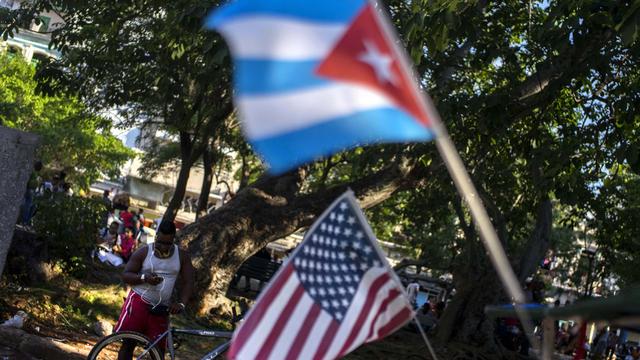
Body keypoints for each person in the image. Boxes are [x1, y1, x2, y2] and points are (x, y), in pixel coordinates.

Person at [114, 220, 194, 358]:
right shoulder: (144, 252)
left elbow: (189, 282)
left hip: (161, 308)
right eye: (160, 242)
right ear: (156, 237)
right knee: (128, 344)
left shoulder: (182, 256)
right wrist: (144, 278)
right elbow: (126, 275)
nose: (163, 247)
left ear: (173, 240)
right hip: (139, 302)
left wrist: (181, 303)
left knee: (157, 351)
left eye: (168, 244)